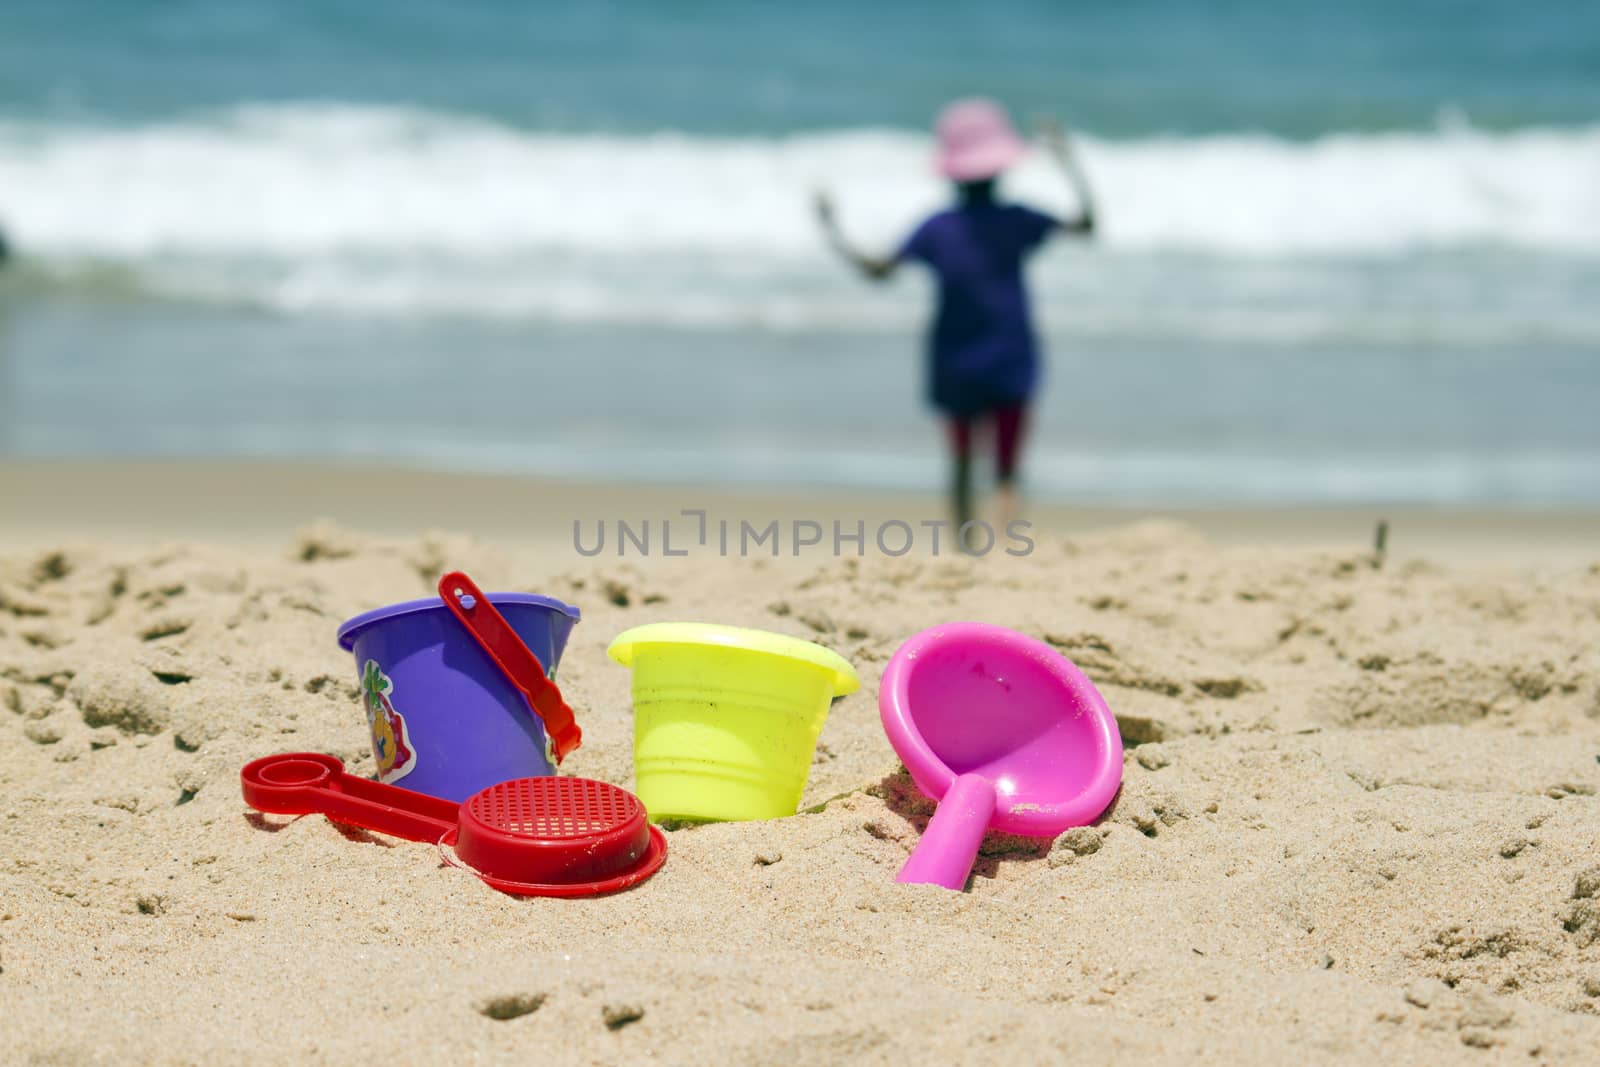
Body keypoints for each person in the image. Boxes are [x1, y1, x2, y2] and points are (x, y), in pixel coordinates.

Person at [815, 97, 1096, 531]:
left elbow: (877, 272)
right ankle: (1005, 549)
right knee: (1007, 469)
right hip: (1011, 352)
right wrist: (1067, 160)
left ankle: (965, 551)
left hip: (955, 356)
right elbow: (1086, 225)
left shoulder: (938, 228)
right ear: (1002, 167)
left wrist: (831, 229)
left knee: (961, 463)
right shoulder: (1017, 220)